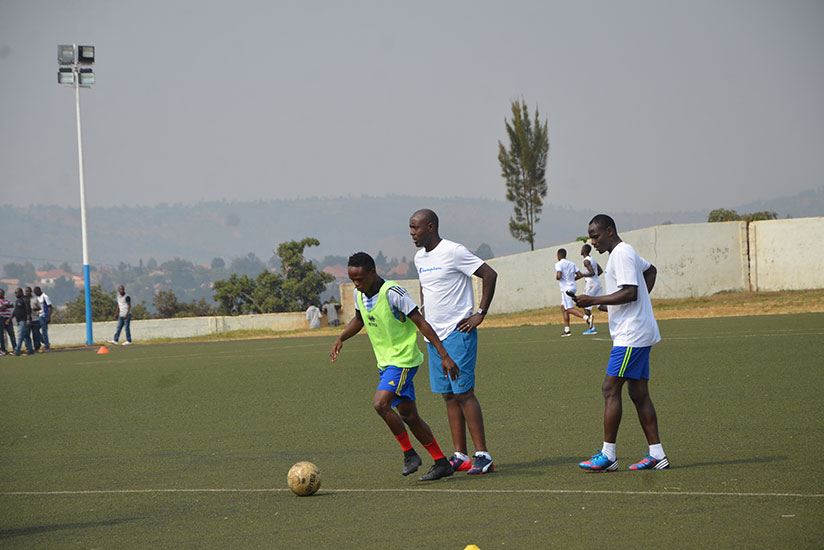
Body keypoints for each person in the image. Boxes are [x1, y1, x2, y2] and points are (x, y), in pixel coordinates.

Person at [331, 252, 456, 482]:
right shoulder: (360, 295)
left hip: (403, 360)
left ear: (373, 272)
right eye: (352, 280)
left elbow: (420, 322)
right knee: (409, 416)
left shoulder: (393, 292)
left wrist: (444, 354)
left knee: (380, 404)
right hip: (386, 363)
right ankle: (442, 463)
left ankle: (409, 454)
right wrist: (341, 338)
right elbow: (359, 319)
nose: (356, 284)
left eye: (360, 279)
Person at [574, 214, 669, 471]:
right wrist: (615, 305)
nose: (593, 242)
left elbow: (630, 292)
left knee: (610, 388)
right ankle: (657, 455)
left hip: (632, 335)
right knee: (638, 393)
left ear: (610, 231)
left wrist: (594, 300)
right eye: (591, 238)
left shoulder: (622, 253)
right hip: (636, 331)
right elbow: (650, 271)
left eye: (596, 236)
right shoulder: (622, 253)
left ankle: (609, 456)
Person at [409, 208, 498, 475]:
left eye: (415, 227)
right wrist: (425, 311)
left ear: (431, 227)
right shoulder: (419, 258)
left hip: (458, 332)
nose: (412, 233)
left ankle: (483, 455)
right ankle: (460, 455)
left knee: (463, 393)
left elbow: (489, 274)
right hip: (434, 338)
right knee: (448, 395)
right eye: (410, 228)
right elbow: (425, 287)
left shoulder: (454, 251)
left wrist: (480, 313)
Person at [555, 249, 591, 337]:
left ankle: (587, 318)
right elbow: (580, 275)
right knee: (563, 308)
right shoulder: (572, 263)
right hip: (573, 287)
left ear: (559, 255)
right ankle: (567, 330)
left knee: (569, 308)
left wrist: (557, 277)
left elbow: (559, 276)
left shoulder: (558, 264)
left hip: (565, 289)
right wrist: (572, 280)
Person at [579, 244, 603, 335]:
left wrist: (583, 275)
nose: (580, 250)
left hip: (591, 285)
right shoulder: (593, 259)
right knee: (600, 306)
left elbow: (592, 272)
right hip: (597, 283)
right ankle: (619, 313)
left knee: (585, 305)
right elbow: (600, 271)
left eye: (581, 249)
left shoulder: (586, 261)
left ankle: (592, 328)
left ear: (584, 251)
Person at [12, 288, 34, 356]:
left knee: (20, 335)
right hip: (19, 320)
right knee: (26, 336)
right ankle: (30, 350)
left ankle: (17, 350)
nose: (16, 294)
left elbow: (28, 310)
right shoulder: (17, 300)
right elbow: (15, 311)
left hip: (24, 320)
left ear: (20, 292)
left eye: (16, 293)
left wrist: (28, 319)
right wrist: (10, 318)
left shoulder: (25, 299)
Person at [33, 287, 52, 352]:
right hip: (39, 316)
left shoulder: (45, 297)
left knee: (44, 331)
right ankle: (44, 341)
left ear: (39, 291)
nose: (35, 294)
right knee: (36, 330)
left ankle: (47, 346)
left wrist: (49, 316)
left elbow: (49, 307)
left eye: (36, 292)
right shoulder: (38, 298)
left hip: (44, 316)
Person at [25, 287, 42, 351]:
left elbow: (40, 307)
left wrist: (35, 309)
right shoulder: (24, 299)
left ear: (31, 291)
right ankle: (29, 348)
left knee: (36, 334)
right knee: (27, 334)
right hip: (27, 320)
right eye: (26, 291)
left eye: (28, 291)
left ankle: (37, 347)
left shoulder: (35, 299)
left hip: (35, 319)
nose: (27, 293)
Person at [0, 289, 15, 356]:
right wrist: (6, 306)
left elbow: (12, 305)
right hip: (1, 318)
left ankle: (15, 348)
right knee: (1, 335)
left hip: (8, 318)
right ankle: (3, 350)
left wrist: (5, 306)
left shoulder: (7, 299)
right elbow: (2, 308)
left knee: (11, 334)